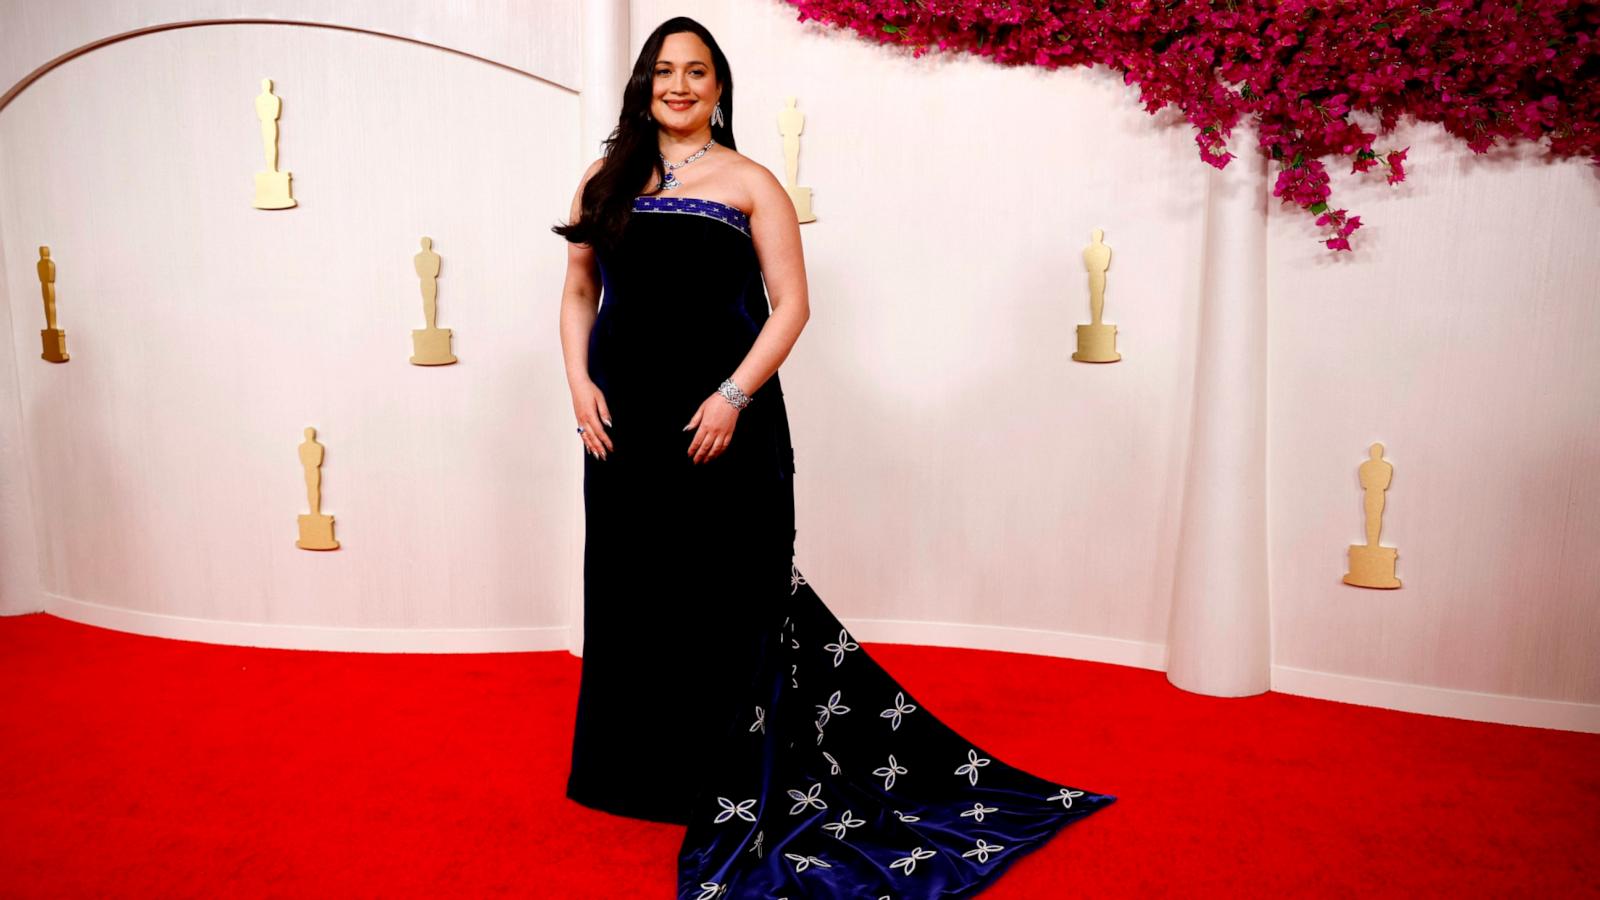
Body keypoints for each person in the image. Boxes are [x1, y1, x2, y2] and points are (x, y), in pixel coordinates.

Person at [555, 17, 1114, 897]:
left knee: (729, 595)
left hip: (724, 426)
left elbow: (791, 305)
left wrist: (732, 396)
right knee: (633, 589)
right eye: (665, 71)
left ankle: (728, 785)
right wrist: (578, 383)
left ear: (720, 87)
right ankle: (637, 779)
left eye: (697, 71)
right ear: (643, 83)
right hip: (620, 425)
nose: (680, 85)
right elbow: (580, 290)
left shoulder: (752, 182)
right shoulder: (604, 177)